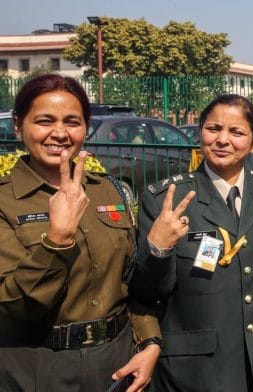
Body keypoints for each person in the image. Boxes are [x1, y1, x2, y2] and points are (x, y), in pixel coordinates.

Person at [0, 74, 161, 391]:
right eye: (44, 121)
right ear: (19, 126)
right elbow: (14, 304)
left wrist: (149, 341)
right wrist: (57, 240)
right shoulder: (4, 200)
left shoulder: (109, 191)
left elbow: (129, 282)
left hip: (115, 362)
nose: (59, 133)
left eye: (72, 122)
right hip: (38, 366)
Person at [130, 94, 253, 391]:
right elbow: (146, 293)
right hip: (193, 370)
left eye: (236, 132)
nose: (223, 140)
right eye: (213, 129)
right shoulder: (166, 201)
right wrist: (158, 250)